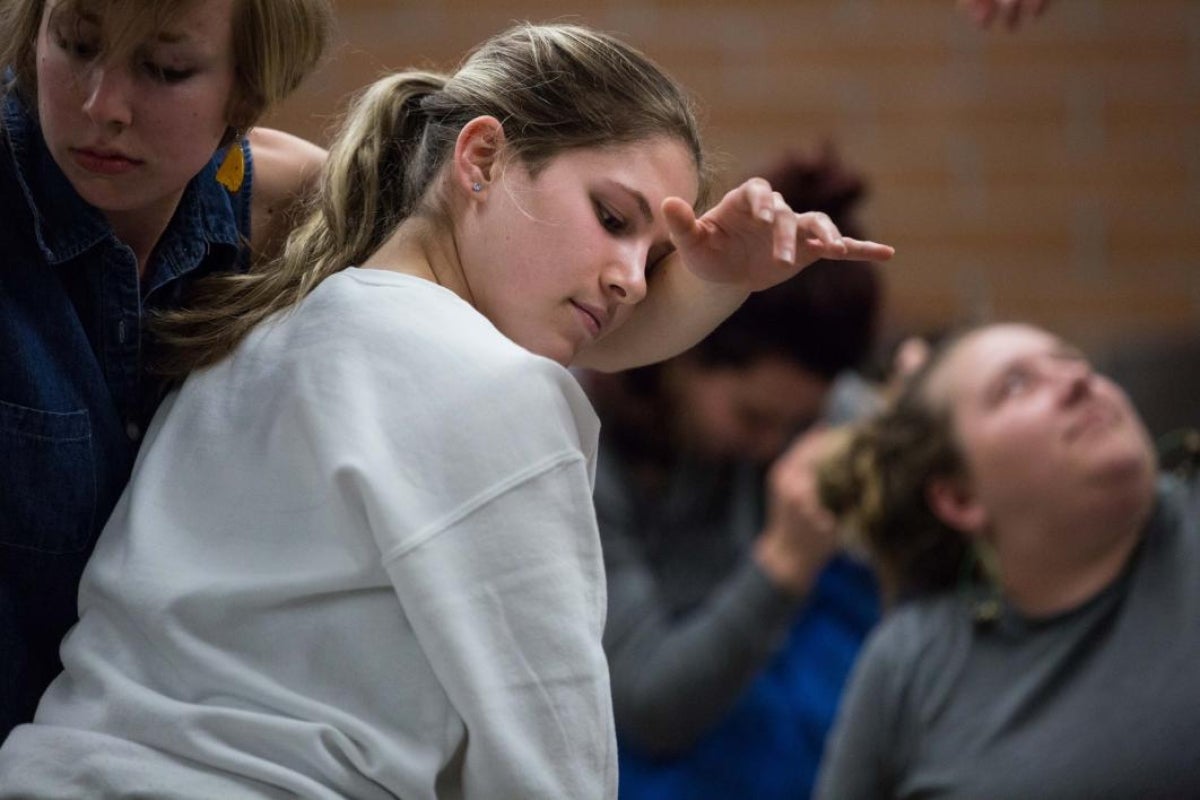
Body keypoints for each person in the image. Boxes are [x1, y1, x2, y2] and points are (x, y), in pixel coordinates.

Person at [0, 22, 894, 798]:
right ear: (480, 158)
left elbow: (588, 327)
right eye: (613, 218)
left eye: (654, 254)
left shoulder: (262, 322)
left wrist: (709, 277)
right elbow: (552, 768)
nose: (631, 276)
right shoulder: (497, 393)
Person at [0, 0, 334, 740]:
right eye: (77, 44)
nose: (102, 106)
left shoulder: (281, 205)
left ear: (245, 92)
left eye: (164, 69)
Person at [586, 148, 885, 800]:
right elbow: (647, 706)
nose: (772, 446)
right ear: (682, 351)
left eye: (796, 425)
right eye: (754, 418)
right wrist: (783, 563)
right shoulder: (586, 453)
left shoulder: (809, 406)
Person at [814, 322, 1200, 799]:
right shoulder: (912, 662)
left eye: (1071, 360)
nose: (1079, 380)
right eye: (1015, 385)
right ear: (958, 497)